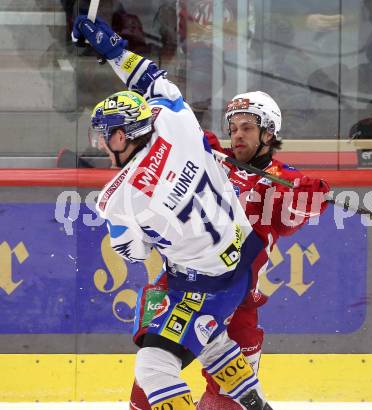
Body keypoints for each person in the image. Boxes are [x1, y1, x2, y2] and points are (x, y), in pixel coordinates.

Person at [73, 15, 275, 410]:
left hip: (203, 282)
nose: (100, 144)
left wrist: (153, 230)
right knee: (208, 336)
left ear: (120, 136)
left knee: (153, 366)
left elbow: (134, 254)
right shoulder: (175, 119)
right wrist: (113, 48)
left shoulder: (117, 199)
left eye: (103, 134)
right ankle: (256, 404)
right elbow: (150, 79)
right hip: (245, 256)